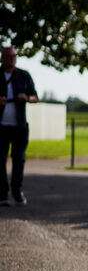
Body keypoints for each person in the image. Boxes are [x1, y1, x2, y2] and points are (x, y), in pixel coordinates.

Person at [0, 46, 39, 205]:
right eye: (8, 56)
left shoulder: (23, 76)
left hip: (19, 126)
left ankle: (17, 191)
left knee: (19, 159)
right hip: (1, 125)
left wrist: (27, 98)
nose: (11, 59)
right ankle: (2, 193)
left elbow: (35, 96)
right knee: (0, 160)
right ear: (2, 58)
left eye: (14, 57)